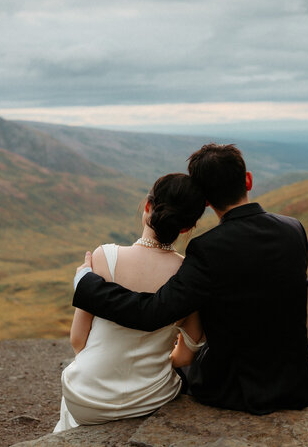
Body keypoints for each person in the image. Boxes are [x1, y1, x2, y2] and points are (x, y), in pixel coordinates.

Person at [73, 144, 308, 415]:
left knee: (185, 363)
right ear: (248, 180)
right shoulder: (294, 229)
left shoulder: (208, 248)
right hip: (296, 386)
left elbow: (153, 313)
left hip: (237, 392)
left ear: (207, 201)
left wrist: (86, 284)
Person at [54, 173, 207, 433]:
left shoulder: (105, 256)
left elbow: (78, 340)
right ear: (186, 228)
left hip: (87, 397)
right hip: (152, 397)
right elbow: (185, 355)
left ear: (147, 206)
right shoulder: (187, 275)